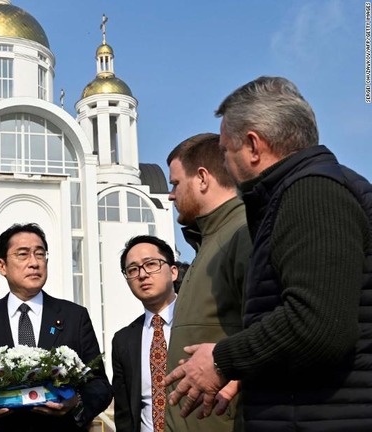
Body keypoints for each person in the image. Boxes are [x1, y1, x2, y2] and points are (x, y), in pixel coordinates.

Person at [164, 76, 372, 431]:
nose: (225, 166)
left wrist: (221, 360)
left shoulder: (312, 192)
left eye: (226, 153)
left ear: (253, 146)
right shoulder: (295, 194)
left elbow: (318, 324)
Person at [0, 223, 111, 432]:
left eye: (40, 254)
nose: (34, 263)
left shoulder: (74, 316)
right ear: (2, 266)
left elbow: (99, 384)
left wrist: (76, 403)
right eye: (23, 254)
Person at [164, 132, 252, 432]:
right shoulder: (209, 240)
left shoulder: (242, 233)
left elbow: (274, 328)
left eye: (175, 183)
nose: (171, 195)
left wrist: (235, 376)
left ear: (202, 178)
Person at [111, 235, 178, 432]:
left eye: (151, 264)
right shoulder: (123, 340)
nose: (142, 274)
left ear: (173, 272)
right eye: (133, 269)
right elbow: (124, 412)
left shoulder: (201, 321)